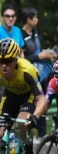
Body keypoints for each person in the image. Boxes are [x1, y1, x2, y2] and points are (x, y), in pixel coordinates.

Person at [21, 7, 54, 139]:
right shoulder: (22, 36)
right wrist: (38, 56)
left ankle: (43, 133)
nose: (37, 20)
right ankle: (30, 133)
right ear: (28, 20)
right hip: (30, 74)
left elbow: (39, 51)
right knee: (32, 103)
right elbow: (23, 59)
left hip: (43, 73)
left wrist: (47, 53)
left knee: (44, 101)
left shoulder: (35, 32)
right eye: (35, 18)